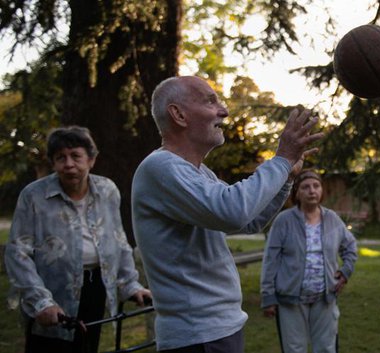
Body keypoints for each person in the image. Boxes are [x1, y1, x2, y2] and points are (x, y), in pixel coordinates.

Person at [131, 75, 322, 353]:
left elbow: (248, 220)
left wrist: (287, 179)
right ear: (178, 114)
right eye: (211, 101)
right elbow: (233, 211)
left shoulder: (199, 173)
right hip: (197, 335)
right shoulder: (160, 167)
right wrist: (280, 159)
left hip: (218, 329)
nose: (224, 111)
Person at [4, 126, 152, 353]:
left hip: (95, 289)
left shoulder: (107, 190)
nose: (69, 164)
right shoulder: (34, 195)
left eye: (75, 156)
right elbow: (18, 253)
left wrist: (129, 284)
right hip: (52, 290)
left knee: (86, 346)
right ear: (53, 163)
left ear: (91, 160)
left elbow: (118, 240)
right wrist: (41, 301)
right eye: (60, 158)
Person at [260, 169, 358, 353]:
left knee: (326, 348)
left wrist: (345, 272)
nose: (312, 191)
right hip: (290, 300)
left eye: (316, 186)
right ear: (297, 193)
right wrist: (268, 296)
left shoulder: (332, 219)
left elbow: (351, 247)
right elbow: (270, 260)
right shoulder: (284, 221)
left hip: (325, 297)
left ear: (322, 190)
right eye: (305, 187)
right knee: (294, 349)